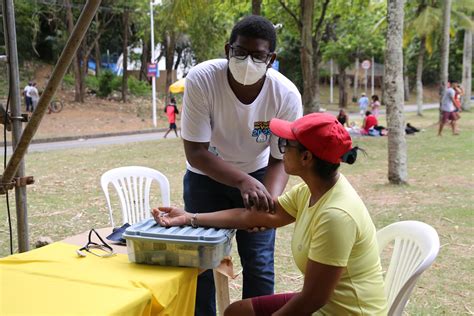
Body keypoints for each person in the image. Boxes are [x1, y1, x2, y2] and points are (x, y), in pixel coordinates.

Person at [153, 113, 388, 316]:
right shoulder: (310, 190)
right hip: (324, 304)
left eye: (286, 144)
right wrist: (190, 218)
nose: (280, 150)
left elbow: (313, 300)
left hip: (345, 311)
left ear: (306, 157)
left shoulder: (336, 216)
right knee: (235, 312)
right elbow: (256, 217)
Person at [180, 15, 303, 316]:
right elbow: (195, 152)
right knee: (202, 263)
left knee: (259, 262)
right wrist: (241, 181)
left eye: (258, 55)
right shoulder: (201, 79)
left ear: (271, 58)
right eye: (240, 52)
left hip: (260, 175)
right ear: (227, 49)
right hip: (206, 177)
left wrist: (269, 203)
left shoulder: (285, 95)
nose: (248, 60)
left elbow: (279, 158)